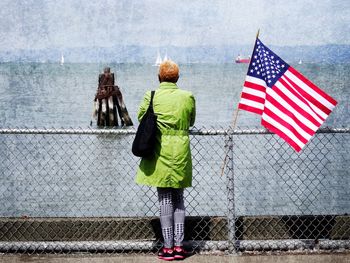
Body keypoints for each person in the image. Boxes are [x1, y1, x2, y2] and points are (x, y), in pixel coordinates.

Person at [135, 60, 195, 261]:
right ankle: (179, 246)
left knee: (165, 201)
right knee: (179, 199)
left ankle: (167, 247)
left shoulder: (151, 95)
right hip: (181, 152)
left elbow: (141, 117)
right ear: (177, 78)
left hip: (160, 153)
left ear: (159, 77)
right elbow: (191, 120)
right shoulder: (187, 97)